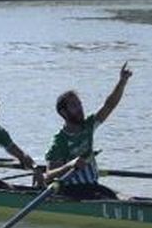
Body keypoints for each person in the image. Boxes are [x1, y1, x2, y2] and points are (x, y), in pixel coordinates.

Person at [44, 63, 132, 200]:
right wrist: (69, 165)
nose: (80, 109)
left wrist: (122, 81)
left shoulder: (88, 127)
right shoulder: (60, 141)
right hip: (72, 192)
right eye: (74, 106)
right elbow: (48, 176)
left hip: (92, 187)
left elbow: (109, 105)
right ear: (64, 112)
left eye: (80, 104)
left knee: (126, 198)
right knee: (114, 199)